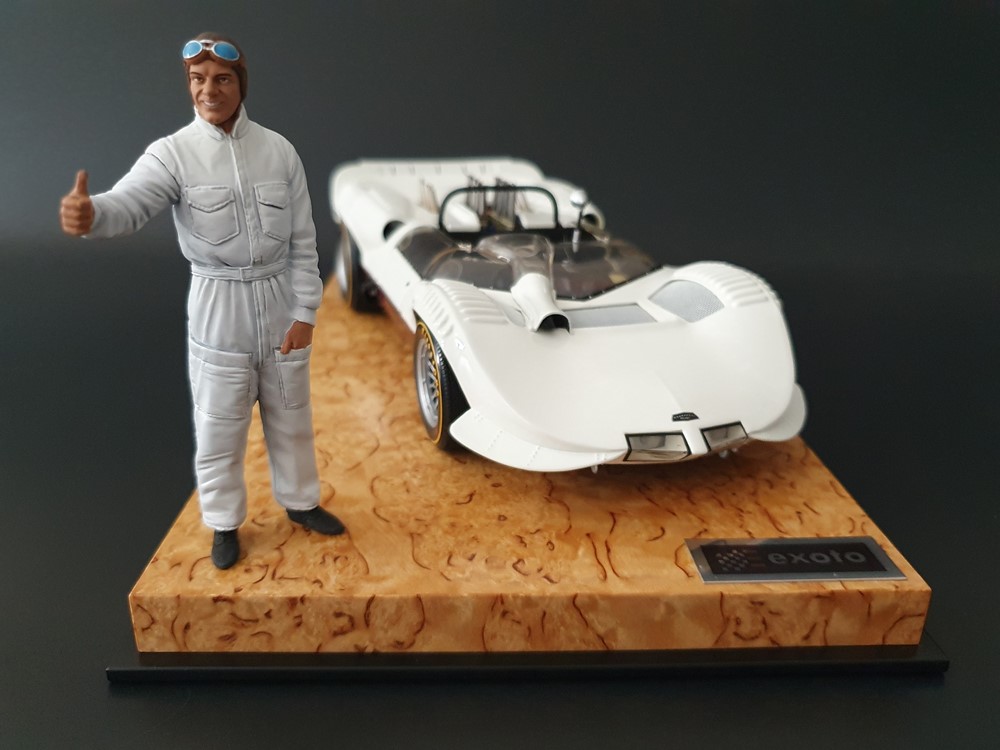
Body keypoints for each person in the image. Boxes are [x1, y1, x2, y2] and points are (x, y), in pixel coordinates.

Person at [59, 33, 345, 570]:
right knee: (219, 423)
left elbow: (304, 241)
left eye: (221, 79)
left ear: (241, 84)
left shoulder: (279, 150)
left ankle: (302, 501)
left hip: (278, 298)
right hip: (218, 304)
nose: (208, 90)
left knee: (292, 415)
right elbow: (129, 203)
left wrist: (305, 311)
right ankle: (223, 522)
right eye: (198, 80)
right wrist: (92, 215)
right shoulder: (172, 155)